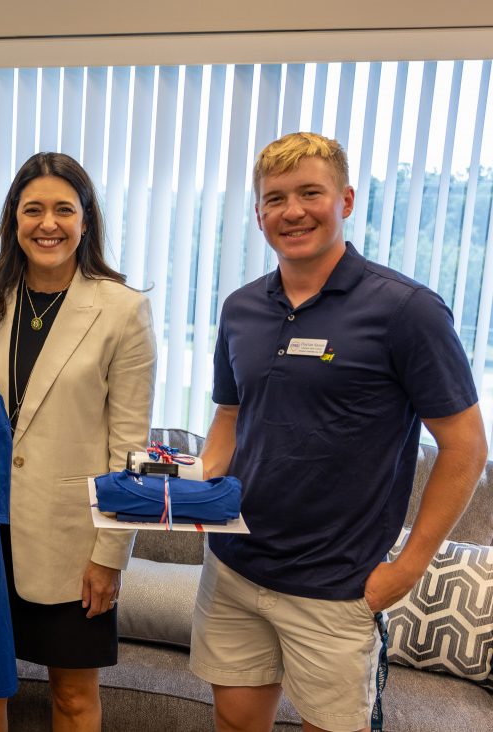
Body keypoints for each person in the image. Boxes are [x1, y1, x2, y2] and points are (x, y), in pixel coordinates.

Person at [191, 132, 487, 732]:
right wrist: (197, 493)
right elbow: (229, 415)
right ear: (258, 214)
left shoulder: (408, 311)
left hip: (336, 586)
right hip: (233, 567)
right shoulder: (241, 308)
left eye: (310, 193)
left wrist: (407, 568)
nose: (292, 210)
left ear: (345, 200)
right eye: (275, 198)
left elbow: (466, 447)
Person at [0, 151, 156, 732]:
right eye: (33, 209)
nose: (48, 223)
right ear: (13, 220)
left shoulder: (123, 310)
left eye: (63, 209)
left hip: (72, 538)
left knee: (71, 696)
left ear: (85, 220)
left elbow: (130, 453)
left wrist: (109, 555)